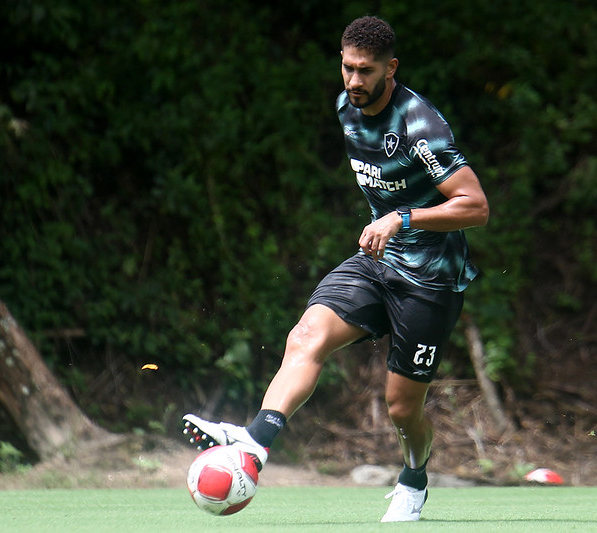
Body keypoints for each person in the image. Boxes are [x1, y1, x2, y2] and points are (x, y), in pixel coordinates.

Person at [183, 15, 489, 522]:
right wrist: (388, 225)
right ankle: (254, 446)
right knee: (306, 336)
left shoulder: (420, 125)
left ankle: (414, 478)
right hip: (377, 262)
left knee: (402, 408)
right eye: (347, 68)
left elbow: (475, 206)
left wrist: (403, 216)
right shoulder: (347, 107)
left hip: (430, 280)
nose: (353, 82)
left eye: (366, 71)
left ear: (391, 68)